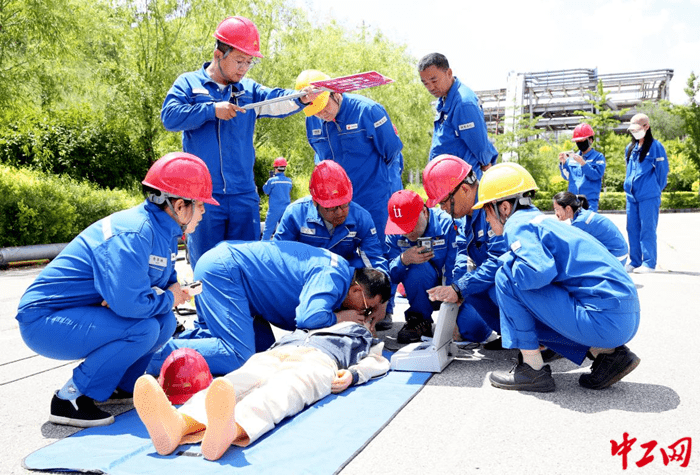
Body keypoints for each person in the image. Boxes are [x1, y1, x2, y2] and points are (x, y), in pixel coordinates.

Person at [15, 152, 218, 427]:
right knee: (142, 328)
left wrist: (161, 295)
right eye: (202, 205)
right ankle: (69, 397)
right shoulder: (135, 233)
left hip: (74, 312)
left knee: (165, 321)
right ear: (180, 205)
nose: (204, 212)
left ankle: (120, 386)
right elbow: (132, 304)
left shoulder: (165, 233)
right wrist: (166, 296)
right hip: (44, 319)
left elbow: (159, 286)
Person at [161, 16, 318, 269]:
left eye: (249, 62)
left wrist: (302, 98)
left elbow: (276, 100)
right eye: (239, 61)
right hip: (203, 196)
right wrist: (211, 110)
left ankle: (246, 310)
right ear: (218, 54)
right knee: (205, 267)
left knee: (247, 267)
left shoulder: (249, 90)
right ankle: (207, 309)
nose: (244, 68)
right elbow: (169, 117)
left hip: (243, 196)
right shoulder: (189, 83)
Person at [472, 162, 641, 393]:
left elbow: (539, 271)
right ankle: (608, 354)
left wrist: (506, 261)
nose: (487, 218)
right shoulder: (544, 221)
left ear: (503, 208)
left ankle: (532, 369)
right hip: (623, 318)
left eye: (486, 211)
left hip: (604, 321)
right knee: (518, 277)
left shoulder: (517, 224)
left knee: (505, 276)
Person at [134, 320, 389, 461]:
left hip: (320, 361)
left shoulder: (360, 334)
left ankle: (230, 428)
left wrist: (355, 374)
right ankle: (177, 425)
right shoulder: (305, 326)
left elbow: (380, 361)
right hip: (275, 354)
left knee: (285, 389)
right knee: (232, 383)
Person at [147, 240, 391, 376]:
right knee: (236, 356)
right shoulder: (333, 275)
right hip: (226, 272)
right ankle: (146, 358)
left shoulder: (340, 272)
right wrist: (340, 317)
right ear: (357, 290)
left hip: (235, 278)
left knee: (262, 356)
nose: (364, 315)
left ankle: (170, 344)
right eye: (368, 309)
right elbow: (309, 318)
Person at [295, 69, 404, 252]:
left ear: (335, 92)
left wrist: (389, 197)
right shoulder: (312, 121)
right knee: (343, 256)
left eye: (324, 106)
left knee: (378, 254)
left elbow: (392, 154)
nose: (321, 113)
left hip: (374, 201)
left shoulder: (368, 111)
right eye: (315, 110)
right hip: (338, 206)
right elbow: (319, 156)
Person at [421, 154, 505, 346]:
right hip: (488, 279)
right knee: (469, 327)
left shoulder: (493, 207)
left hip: (512, 281)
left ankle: (539, 340)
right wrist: (454, 290)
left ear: (465, 190)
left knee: (498, 287)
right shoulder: (467, 217)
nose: (442, 209)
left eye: (444, 202)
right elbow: (462, 257)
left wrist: (459, 289)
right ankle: (512, 335)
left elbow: (499, 260)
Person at [274, 160, 387, 274]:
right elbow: (279, 256)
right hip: (304, 274)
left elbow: (375, 259)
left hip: (343, 274)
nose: (339, 213)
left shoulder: (362, 219)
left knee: (361, 268)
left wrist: (381, 285)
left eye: (344, 205)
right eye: (331, 207)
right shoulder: (295, 214)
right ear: (315, 202)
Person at [381, 190, 458, 343]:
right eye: (402, 227)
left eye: (410, 224)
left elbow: (455, 267)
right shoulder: (394, 231)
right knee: (417, 267)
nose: (406, 232)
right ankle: (419, 320)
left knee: (472, 328)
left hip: (452, 290)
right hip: (420, 292)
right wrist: (403, 260)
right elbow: (390, 276)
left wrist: (453, 307)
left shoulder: (447, 223)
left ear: (424, 211)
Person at [418, 53, 498, 179]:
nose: (431, 87)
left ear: (449, 73)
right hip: (449, 181)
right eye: (425, 83)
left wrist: (486, 162)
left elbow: (478, 144)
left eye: (434, 80)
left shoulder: (463, 103)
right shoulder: (444, 98)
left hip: (462, 184)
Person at [623, 113, 669, 273]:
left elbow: (662, 174)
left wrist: (654, 189)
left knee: (647, 228)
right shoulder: (630, 148)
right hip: (631, 196)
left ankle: (649, 263)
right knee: (632, 228)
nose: (634, 132)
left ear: (646, 127)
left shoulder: (656, 147)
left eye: (637, 129)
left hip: (648, 196)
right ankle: (635, 261)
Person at [553, 192, 629, 265]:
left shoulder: (581, 222)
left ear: (568, 208)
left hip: (616, 258)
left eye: (557, 209)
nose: (556, 213)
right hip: (619, 254)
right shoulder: (579, 215)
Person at [558, 123, 606, 212]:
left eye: (582, 140)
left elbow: (596, 175)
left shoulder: (598, 157)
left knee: (588, 224)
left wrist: (583, 164)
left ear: (590, 140)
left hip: (589, 201)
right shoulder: (573, 158)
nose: (580, 143)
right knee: (575, 225)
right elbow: (567, 177)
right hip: (573, 201)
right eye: (577, 141)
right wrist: (563, 164)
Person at [261, 157, 293, 240]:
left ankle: (264, 249)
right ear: (284, 168)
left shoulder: (272, 181)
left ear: (275, 168)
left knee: (267, 232)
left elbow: (266, 191)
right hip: (286, 209)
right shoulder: (289, 181)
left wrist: (270, 178)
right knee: (285, 231)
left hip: (274, 209)